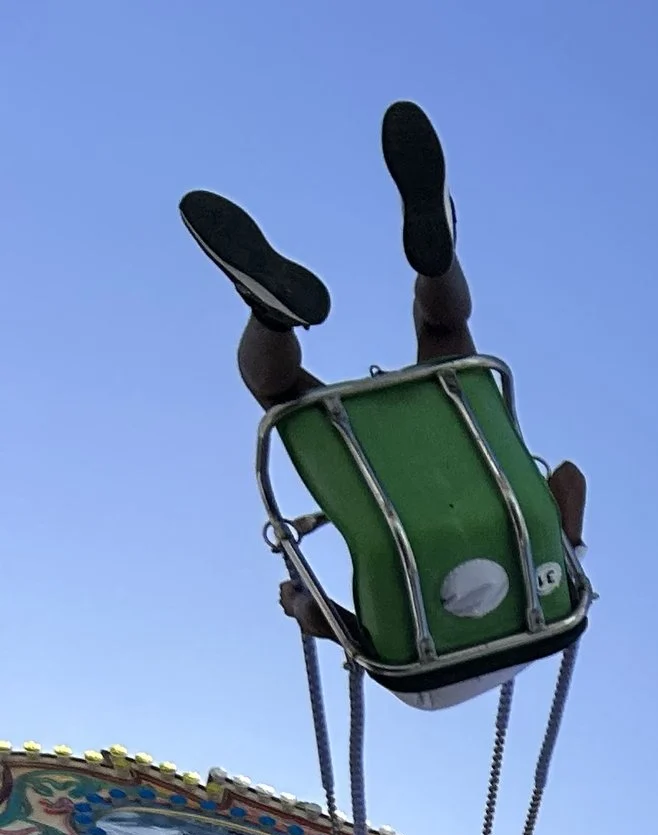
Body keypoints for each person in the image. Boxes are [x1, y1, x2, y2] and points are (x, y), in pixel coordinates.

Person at [180, 104, 587, 547]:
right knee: (280, 393)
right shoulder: (414, 609)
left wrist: (563, 539)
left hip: (466, 463)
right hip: (376, 488)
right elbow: (324, 618)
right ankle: (271, 318)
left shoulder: (546, 576)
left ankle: (439, 263)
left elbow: (570, 478)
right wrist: (302, 597)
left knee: (442, 330)